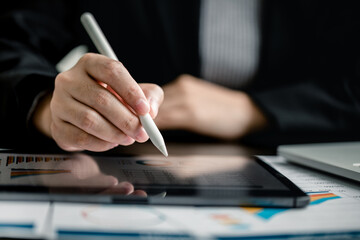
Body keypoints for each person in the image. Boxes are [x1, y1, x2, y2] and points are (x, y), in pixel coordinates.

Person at [0, 0, 360, 152]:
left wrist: (253, 110)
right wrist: (46, 107)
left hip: (297, 149)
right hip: (123, 159)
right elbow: (9, 39)